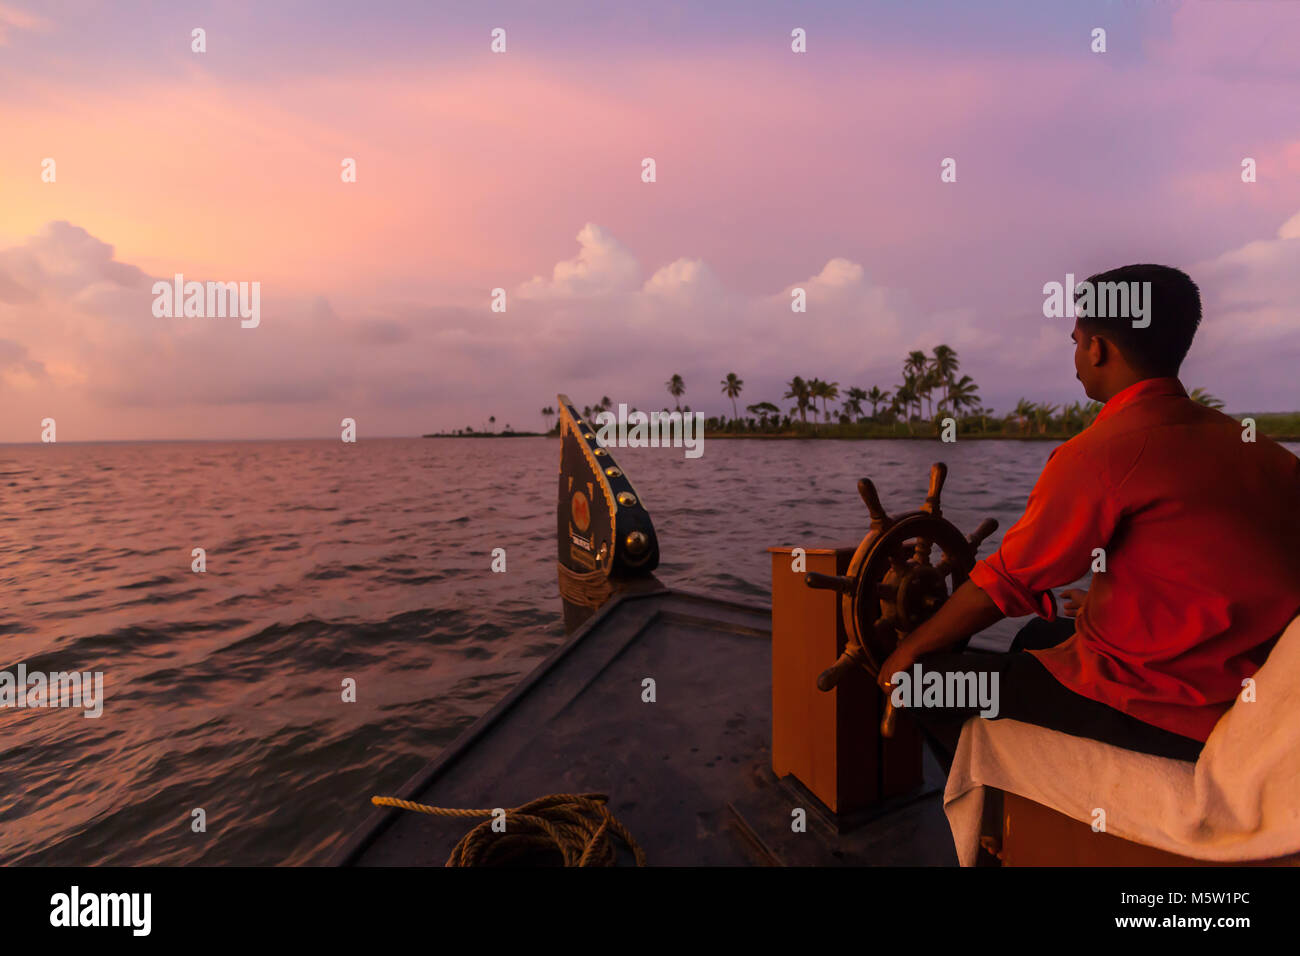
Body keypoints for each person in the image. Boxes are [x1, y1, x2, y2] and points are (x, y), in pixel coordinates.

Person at [880, 264, 1300, 771]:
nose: (1077, 355)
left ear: (1097, 348)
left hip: (1169, 710)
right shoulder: (1266, 452)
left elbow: (1007, 583)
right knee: (1036, 636)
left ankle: (997, 818)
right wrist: (1104, 605)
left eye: (1076, 340)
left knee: (925, 685)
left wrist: (910, 650)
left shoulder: (1099, 455)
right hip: (1257, 695)